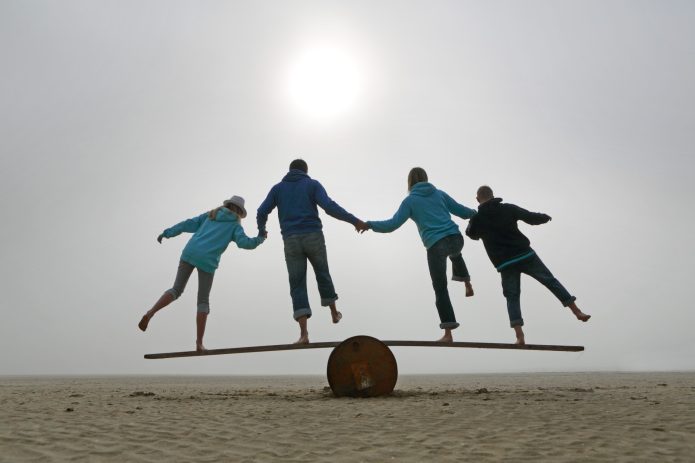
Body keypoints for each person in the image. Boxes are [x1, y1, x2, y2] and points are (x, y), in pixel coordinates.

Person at [257, 159, 367, 344]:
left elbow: (261, 211)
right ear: (305, 171)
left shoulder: (277, 189)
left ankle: (304, 334)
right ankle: (334, 312)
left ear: (290, 170)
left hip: (291, 239)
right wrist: (354, 220)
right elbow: (329, 207)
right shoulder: (312, 184)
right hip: (313, 235)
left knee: (297, 284)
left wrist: (262, 230)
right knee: (322, 273)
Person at [362, 167, 476, 342]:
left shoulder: (410, 201)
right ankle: (467, 282)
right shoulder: (439, 194)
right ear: (426, 178)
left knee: (440, 288)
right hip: (456, 239)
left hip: (436, 245)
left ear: (410, 182)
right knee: (455, 253)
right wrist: (480, 213)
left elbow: (392, 225)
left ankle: (448, 334)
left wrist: (370, 224)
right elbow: (462, 211)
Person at [465, 185, 590, 345]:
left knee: (512, 297)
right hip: (525, 254)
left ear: (477, 199)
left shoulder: (478, 219)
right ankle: (577, 312)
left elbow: (471, 234)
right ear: (492, 195)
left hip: (505, 263)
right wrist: (544, 217)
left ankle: (519, 336)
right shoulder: (508, 208)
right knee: (550, 281)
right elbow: (530, 218)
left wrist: (473, 221)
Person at [138, 196, 265, 351]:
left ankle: (150, 313)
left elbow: (187, 224)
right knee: (203, 302)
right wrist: (260, 238)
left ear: (227, 205)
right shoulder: (235, 225)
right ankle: (199, 343)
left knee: (176, 290)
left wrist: (167, 233)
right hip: (207, 261)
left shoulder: (211, 215)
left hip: (190, 252)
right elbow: (245, 243)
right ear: (239, 212)